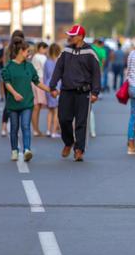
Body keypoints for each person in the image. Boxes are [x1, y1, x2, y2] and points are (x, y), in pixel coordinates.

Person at [50, 24, 101, 162]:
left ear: (80, 37)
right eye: (70, 35)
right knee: (63, 119)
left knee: (81, 122)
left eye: (72, 35)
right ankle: (68, 142)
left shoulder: (90, 52)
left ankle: (79, 150)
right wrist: (52, 86)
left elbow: (96, 73)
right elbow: (58, 69)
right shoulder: (66, 51)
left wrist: (95, 92)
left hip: (83, 93)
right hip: (66, 91)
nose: (70, 37)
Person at [1, 38, 51, 162]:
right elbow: (6, 83)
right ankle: (14, 151)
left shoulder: (29, 66)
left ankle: (27, 150)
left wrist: (50, 90)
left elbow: (37, 82)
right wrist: (14, 93)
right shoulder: (9, 67)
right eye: (27, 51)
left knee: (25, 126)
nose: (29, 54)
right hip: (13, 103)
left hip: (27, 102)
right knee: (14, 128)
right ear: (21, 51)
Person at [44, 43, 62, 138]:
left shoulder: (47, 62)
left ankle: (48, 130)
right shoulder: (60, 62)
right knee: (57, 110)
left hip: (47, 85)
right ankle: (54, 131)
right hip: (57, 85)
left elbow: (45, 76)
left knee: (50, 110)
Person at [31, 42, 48, 136]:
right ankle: (36, 130)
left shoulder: (35, 56)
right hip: (40, 81)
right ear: (41, 48)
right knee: (37, 107)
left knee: (36, 106)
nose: (46, 51)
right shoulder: (42, 57)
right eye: (45, 49)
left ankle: (35, 129)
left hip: (34, 81)